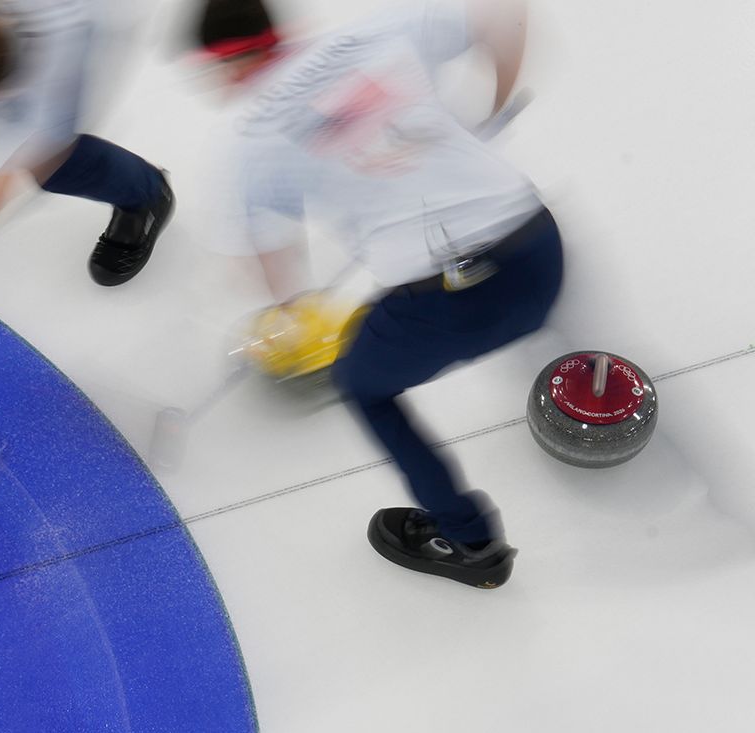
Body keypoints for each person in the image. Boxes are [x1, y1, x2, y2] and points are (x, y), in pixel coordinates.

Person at [197, 0, 558, 588]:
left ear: (222, 65)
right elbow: (505, 14)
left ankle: (472, 544)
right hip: (541, 245)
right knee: (508, 302)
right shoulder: (373, 31)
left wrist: (294, 319)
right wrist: (484, 118)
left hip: (457, 297)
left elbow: (274, 276)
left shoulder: (249, 142)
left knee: (362, 382)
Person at [0, 0, 175, 287]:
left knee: (51, 163)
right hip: (17, 33)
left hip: (88, 23)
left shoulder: (56, 74)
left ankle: (147, 191)